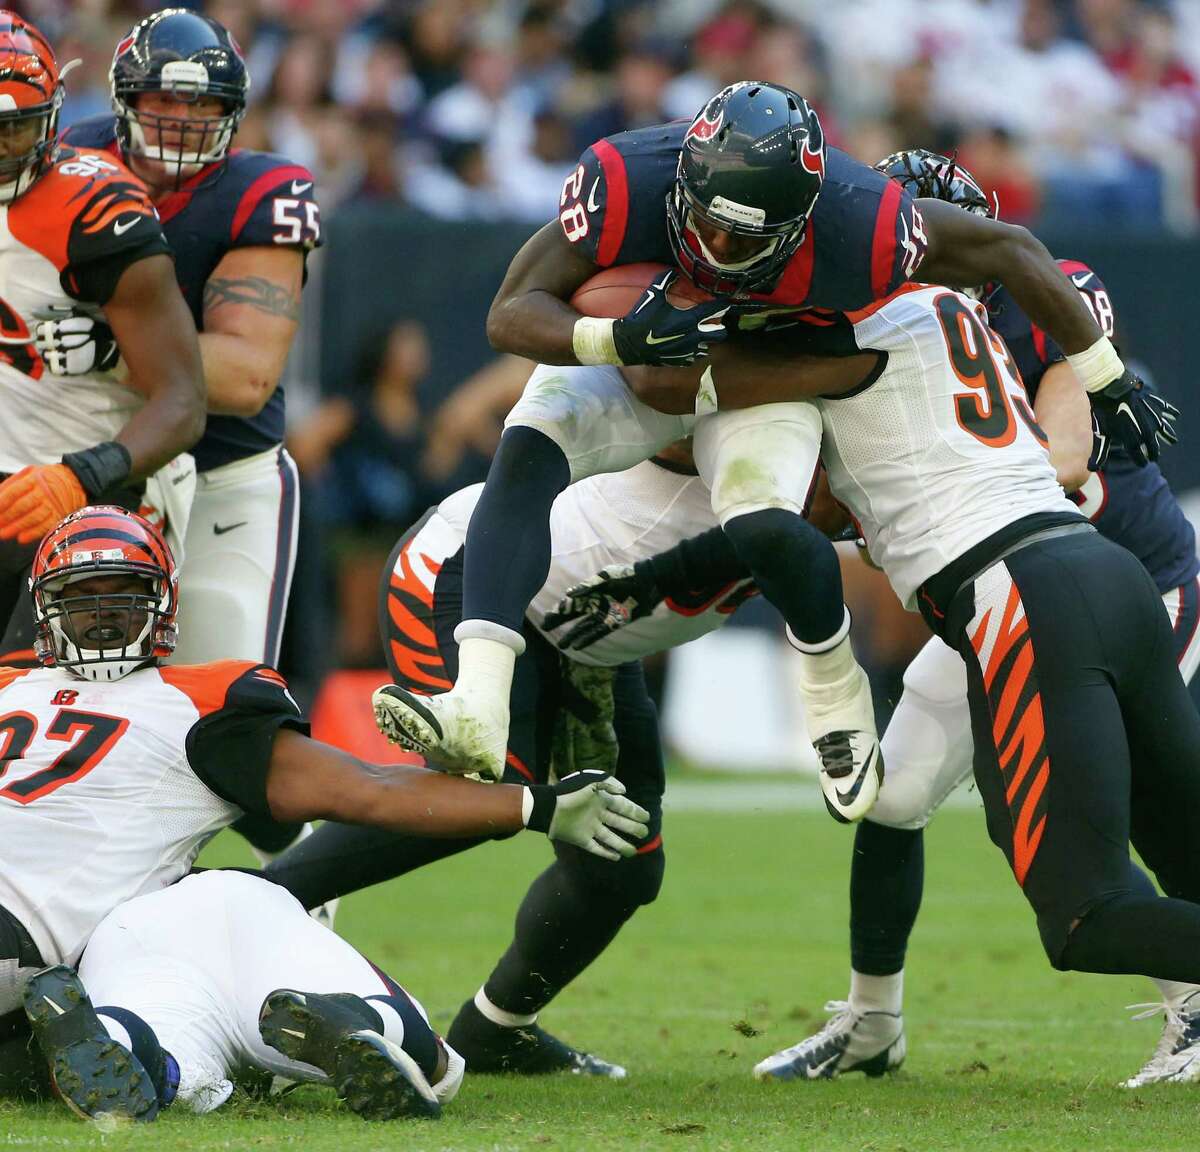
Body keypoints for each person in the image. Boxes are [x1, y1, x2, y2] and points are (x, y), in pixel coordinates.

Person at [372, 80, 1170, 818]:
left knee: (765, 522)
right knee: (531, 434)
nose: (714, 243)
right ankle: (478, 695)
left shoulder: (866, 226)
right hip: (644, 339)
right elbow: (510, 313)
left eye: (739, 233)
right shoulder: (630, 177)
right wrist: (614, 334)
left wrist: (1103, 375)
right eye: (704, 216)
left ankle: (832, 687)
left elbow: (1006, 251)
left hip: (763, 378)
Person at [555, 213, 1200, 1080]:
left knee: (1087, 913)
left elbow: (739, 451)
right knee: (935, 808)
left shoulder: (857, 331)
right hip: (1083, 577)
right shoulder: (960, 315)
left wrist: (637, 338)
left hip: (1043, 596)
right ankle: (871, 1022)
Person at [749, 151, 1200, 1090]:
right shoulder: (900, 329)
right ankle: (872, 1023)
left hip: (1125, 581)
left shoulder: (1033, 302)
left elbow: (1064, 457)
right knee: (902, 795)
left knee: (1098, 872)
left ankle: (1190, 1010)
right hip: (1015, 597)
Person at [0, 506, 649, 1116]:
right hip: (52, 945)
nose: (105, 616)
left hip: (60, 947)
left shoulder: (8, 689)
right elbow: (368, 789)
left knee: (153, 1022)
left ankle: (126, 1045)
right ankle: (362, 1024)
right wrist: (535, 806)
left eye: (122, 595)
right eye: (90, 598)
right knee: (423, 1059)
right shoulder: (197, 701)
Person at [267, 437, 854, 1078]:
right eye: (847, 479)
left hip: (583, 639)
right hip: (471, 578)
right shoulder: (724, 449)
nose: (857, 502)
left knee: (622, 861)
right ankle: (260, 898)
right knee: (486, 787)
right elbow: (677, 410)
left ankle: (497, 1029)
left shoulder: (801, 512)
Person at [45, 7, 325, 878]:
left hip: (223, 477)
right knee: (58, 701)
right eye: (166, 103)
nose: (184, 125)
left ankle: (304, 900)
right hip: (85, 475)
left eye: (205, 111)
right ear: (126, 98)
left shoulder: (263, 190)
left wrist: (103, 339)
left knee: (227, 719)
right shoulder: (60, 163)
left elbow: (241, 375)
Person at [0, 11, 205, 661]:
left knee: (37, 713)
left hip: (94, 496)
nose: (4, 149)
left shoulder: (93, 210)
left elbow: (182, 400)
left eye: (17, 129)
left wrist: (83, 475)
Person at [23, 871, 465, 1122]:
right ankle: (357, 1017)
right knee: (436, 1064)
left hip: (131, 929)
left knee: (173, 1063)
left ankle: (114, 1034)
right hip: (250, 909)